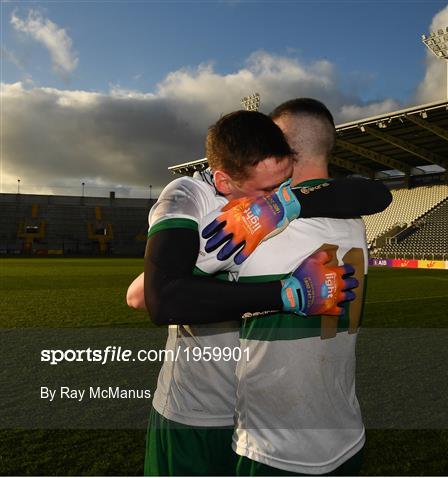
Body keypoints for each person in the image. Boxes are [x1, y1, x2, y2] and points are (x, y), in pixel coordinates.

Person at [129, 109, 391, 476]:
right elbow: (151, 298)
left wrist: (285, 204)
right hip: (197, 405)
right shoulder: (191, 197)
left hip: (249, 413)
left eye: (286, 182)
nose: (281, 192)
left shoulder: (274, 205)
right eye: (270, 189)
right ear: (225, 180)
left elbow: (374, 193)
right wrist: (285, 295)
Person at [210, 99, 370, 475]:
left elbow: (154, 293)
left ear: (282, 148)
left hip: (277, 450)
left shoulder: (258, 226)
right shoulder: (356, 223)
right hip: (346, 436)